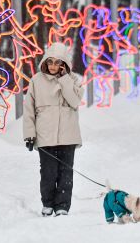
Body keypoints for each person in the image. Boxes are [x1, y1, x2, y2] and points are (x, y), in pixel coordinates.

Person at [23, 42, 84, 217]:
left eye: (58, 63)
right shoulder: (36, 81)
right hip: (45, 135)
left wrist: (64, 80)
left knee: (66, 173)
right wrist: (29, 135)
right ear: (45, 61)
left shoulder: (73, 80)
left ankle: (62, 205)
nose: (53, 66)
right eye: (50, 62)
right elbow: (29, 109)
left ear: (64, 64)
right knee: (48, 172)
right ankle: (48, 203)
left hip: (68, 135)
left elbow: (74, 101)